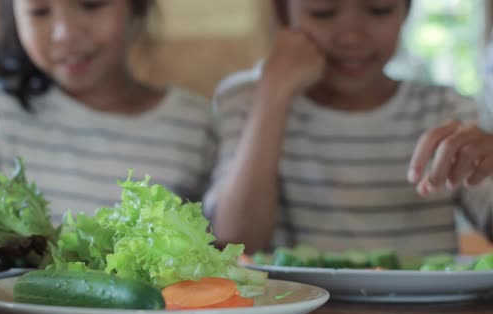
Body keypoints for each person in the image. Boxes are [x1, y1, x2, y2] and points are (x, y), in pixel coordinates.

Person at [204, 0, 493, 256]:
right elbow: (235, 240)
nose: (352, 37)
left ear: (406, 10)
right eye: (323, 12)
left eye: (379, 10)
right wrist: (272, 97)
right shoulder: (246, 100)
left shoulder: (447, 110)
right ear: (282, 11)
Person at [0, 0, 216, 224]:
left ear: (137, 8)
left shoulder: (195, 123)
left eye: (92, 4)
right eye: (39, 11)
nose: (65, 34)